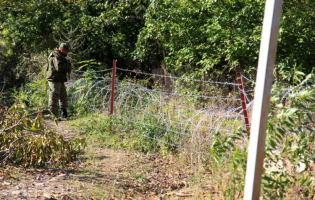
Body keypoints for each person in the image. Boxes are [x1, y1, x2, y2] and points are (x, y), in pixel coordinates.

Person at [46, 43, 72, 119]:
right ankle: (53, 115)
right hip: (54, 79)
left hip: (59, 79)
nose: (67, 53)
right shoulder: (56, 56)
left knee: (63, 96)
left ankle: (64, 113)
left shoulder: (61, 56)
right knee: (54, 96)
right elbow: (59, 68)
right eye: (66, 51)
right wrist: (68, 64)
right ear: (62, 50)